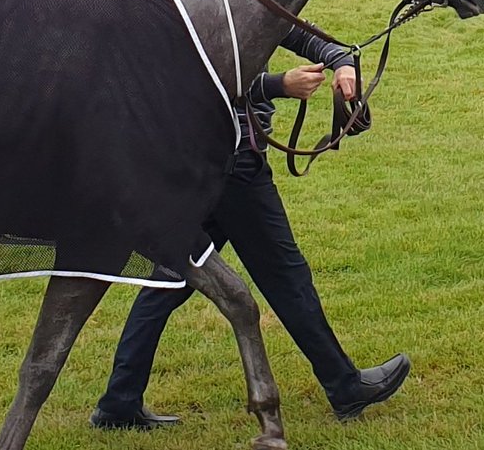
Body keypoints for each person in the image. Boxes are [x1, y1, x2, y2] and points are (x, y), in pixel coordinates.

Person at [90, 26, 412, 431]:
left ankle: (119, 403)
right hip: (231, 166)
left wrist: (342, 62)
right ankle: (345, 385)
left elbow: (296, 32)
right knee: (286, 276)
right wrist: (279, 85)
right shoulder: (200, 6)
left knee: (170, 282)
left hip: (203, 167)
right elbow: (201, 81)